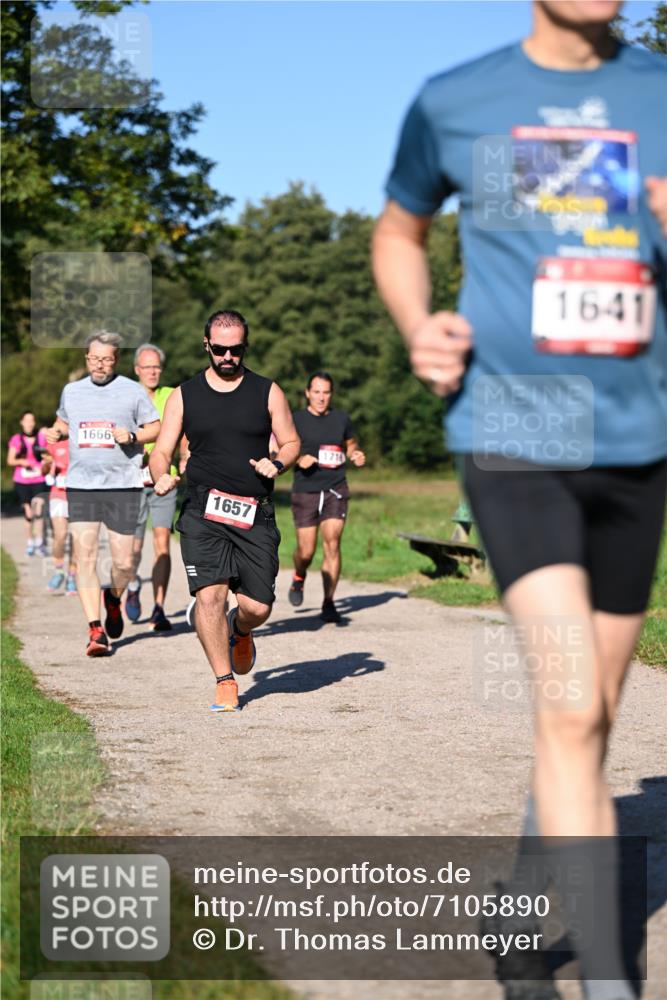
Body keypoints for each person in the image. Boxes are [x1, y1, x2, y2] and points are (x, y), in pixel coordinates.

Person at [373, 3, 666, 999]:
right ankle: (608, 984)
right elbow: (398, 231)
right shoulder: (459, 99)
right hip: (515, 427)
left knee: (585, 719)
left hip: (635, 438)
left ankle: (512, 917)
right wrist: (421, 326)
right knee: (572, 703)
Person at [149, 309, 300, 712]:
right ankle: (224, 681)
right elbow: (162, 450)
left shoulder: (268, 391)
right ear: (207, 346)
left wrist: (277, 463)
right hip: (203, 511)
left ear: (244, 347)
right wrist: (161, 474)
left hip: (254, 513)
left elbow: (290, 442)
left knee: (258, 607)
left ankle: (239, 629)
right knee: (210, 596)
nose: (228, 357)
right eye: (220, 350)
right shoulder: (185, 395)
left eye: (236, 350)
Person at [45, 331, 160, 656]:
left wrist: (134, 435)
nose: (99, 365)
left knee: (124, 563)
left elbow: (156, 426)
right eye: (94, 359)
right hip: (82, 486)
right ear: (86, 359)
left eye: (106, 359)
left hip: (123, 486)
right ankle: (95, 630)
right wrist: (56, 431)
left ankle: (113, 598)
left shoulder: (132, 391)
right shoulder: (72, 390)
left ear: (116, 360)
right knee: (85, 557)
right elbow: (64, 422)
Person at [288, 373, 365, 623]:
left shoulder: (341, 418)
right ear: (307, 393)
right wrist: (299, 459)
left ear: (331, 394)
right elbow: (280, 448)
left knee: (332, 542)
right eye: (317, 392)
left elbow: (350, 443)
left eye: (326, 393)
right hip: (306, 488)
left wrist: (354, 454)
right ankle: (299, 575)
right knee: (306, 551)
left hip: (335, 487)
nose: (322, 398)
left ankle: (329, 602)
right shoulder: (296, 419)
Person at [125, 343, 182, 632]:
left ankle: (158, 608)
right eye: (147, 367)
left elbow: (184, 430)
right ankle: (133, 582)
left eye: (156, 366)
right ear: (137, 370)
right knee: (132, 548)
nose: (152, 371)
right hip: (131, 481)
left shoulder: (171, 395)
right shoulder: (124, 395)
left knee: (162, 543)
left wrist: (184, 458)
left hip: (164, 480)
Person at [7, 411, 48, 556]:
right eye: (27, 420)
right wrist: (22, 462)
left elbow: (47, 456)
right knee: (29, 514)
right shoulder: (16, 440)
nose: (29, 423)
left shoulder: (41, 438)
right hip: (22, 480)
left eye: (32, 420)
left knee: (39, 511)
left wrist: (45, 464)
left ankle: (40, 543)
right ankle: (30, 542)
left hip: (39, 479)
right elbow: (10, 460)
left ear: (34, 423)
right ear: (22, 422)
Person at [43, 433, 77, 595]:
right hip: (59, 495)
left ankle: (72, 576)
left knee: (78, 539)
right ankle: (58, 571)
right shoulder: (54, 444)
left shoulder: (84, 441)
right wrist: (48, 464)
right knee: (60, 535)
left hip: (80, 496)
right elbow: (44, 471)